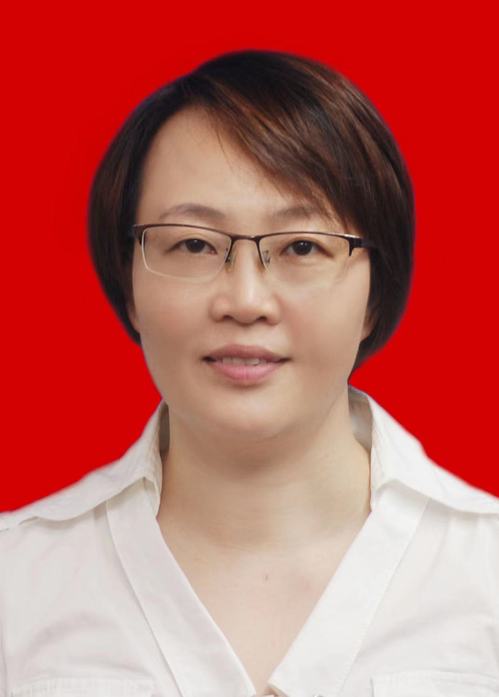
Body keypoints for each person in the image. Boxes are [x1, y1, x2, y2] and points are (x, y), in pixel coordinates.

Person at [1, 49, 498, 697]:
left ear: (376, 292)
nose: (244, 300)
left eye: (301, 246)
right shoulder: (18, 583)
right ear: (129, 285)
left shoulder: (483, 573)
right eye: (193, 244)